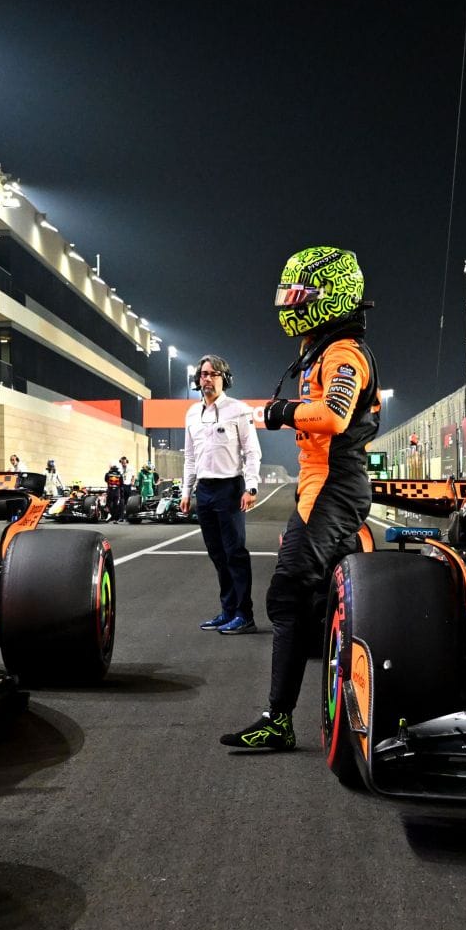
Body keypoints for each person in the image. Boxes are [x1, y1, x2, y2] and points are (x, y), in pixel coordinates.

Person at [221, 246, 379, 752]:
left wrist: (282, 411)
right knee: (317, 597)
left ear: (330, 298)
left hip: (332, 486)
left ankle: (278, 720)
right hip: (322, 484)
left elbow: (333, 416)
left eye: (300, 295)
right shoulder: (325, 349)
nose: (290, 304)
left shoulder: (344, 354)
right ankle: (342, 702)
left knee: (287, 595)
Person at [181, 353, 260, 635]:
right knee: (217, 554)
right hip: (204, 490)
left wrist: (251, 487)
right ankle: (227, 610)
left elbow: (252, 452)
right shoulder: (191, 413)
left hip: (230, 488)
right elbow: (189, 456)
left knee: (235, 553)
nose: (207, 379)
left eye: (213, 374)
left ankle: (244, 614)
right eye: (203, 374)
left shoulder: (239, 410)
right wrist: (186, 491)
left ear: (224, 378)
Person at [102, 457, 129, 522]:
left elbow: (105, 480)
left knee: (108, 504)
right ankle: (115, 518)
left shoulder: (108, 474)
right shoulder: (119, 475)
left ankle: (108, 515)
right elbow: (122, 483)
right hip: (117, 491)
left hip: (110, 491)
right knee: (115, 505)